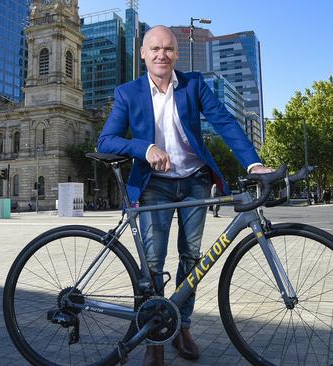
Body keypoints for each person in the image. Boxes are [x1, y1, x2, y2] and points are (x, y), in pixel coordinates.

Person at [97, 25, 272, 366]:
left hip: (194, 180)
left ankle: (182, 326)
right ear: (144, 55)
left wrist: (253, 164)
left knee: (191, 257)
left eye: (168, 49)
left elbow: (225, 122)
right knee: (153, 263)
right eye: (155, 49)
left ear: (176, 54)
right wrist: (143, 148)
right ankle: (153, 337)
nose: (162, 55)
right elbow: (105, 141)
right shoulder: (127, 93)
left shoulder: (193, 85)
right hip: (154, 184)